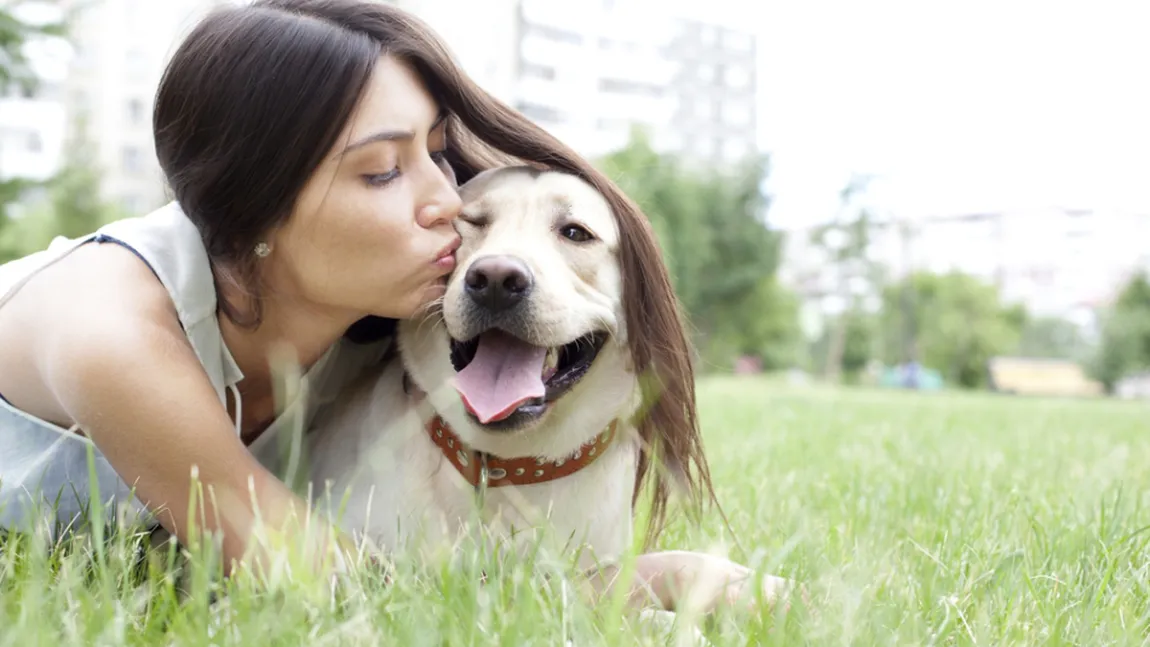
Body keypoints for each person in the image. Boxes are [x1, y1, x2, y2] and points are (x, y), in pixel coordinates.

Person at [0, 0, 707, 591]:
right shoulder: (114, 332)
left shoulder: (390, 324)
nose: (446, 199)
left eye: (435, 151)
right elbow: (334, 588)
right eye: (379, 172)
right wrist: (645, 582)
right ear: (254, 211)